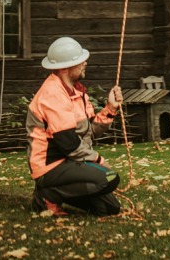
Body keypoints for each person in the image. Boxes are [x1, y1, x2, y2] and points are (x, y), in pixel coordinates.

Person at [26, 36, 123, 217]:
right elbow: (69, 143)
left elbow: (88, 134)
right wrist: (98, 161)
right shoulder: (52, 94)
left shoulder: (76, 92)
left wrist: (110, 109)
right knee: (109, 177)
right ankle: (47, 194)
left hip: (70, 162)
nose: (85, 63)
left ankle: (56, 194)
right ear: (64, 68)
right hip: (51, 167)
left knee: (110, 209)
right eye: (79, 60)